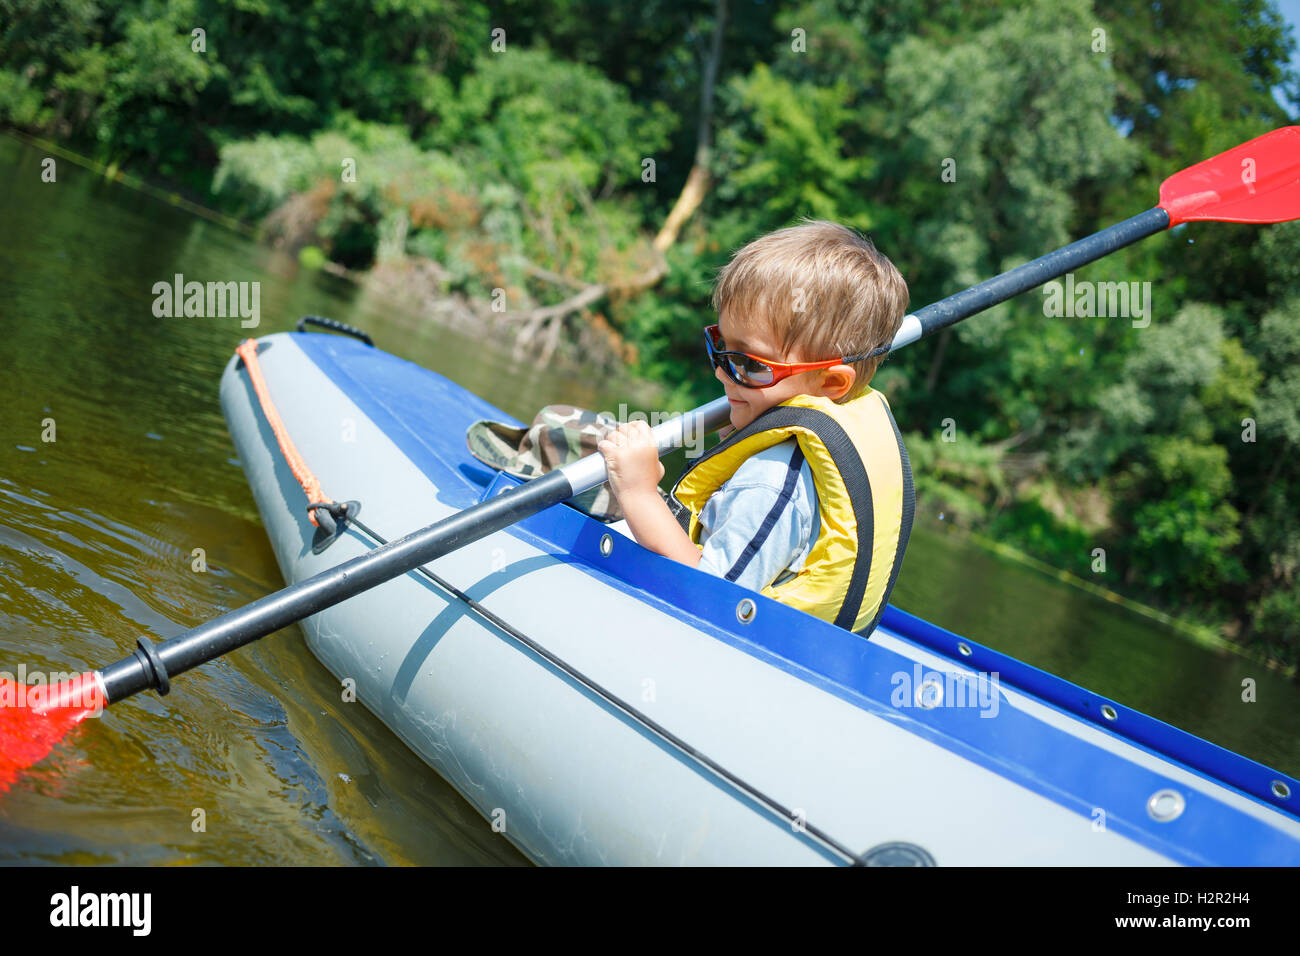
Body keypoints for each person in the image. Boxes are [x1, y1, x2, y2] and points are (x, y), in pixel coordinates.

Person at [598, 220, 914, 635]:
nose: (722, 373)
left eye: (751, 364)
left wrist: (639, 494)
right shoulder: (797, 444)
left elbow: (707, 599)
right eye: (720, 346)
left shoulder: (770, 483)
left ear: (831, 383)